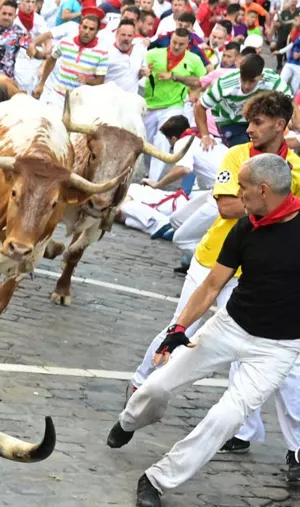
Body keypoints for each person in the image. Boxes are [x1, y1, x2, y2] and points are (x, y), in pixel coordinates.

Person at [109, 154, 300, 507]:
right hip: (229, 327)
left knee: (224, 419)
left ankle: (156, 479)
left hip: (277, 349)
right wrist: (177, 328)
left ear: (263, 189)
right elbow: (212, 284)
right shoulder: (245, 227)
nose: (237, 196)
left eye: (242, 189)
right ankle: (129, 420)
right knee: (157, 386)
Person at [130, 89, 300, 450]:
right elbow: (226, 207)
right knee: (181, 323)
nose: (249, 128)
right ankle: (141, 382)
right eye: (249, 121)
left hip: (252, 273)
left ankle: (244, 431)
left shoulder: (296, 168)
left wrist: (272, 203)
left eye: (257, 122)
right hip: (213, 258)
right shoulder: (237, 155)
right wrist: (275, 202)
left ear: (280, 125)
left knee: (250, 347)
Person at [141, 28, 207, 159]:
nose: (176, 46)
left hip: (174, 105)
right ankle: (148, 175)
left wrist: (195, 91)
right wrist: (143, 70)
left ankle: (154, 178)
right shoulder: (153, 54)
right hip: (150, 106)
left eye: (181, 44)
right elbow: (138, 67)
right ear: (170, 40)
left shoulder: (194, 60)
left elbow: (203, 81)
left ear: (188, 44)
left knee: (162, 140)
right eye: (174, 42)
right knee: (146, 143)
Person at [198, 52, 288, 145]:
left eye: (252, 81)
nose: (246, 86)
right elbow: (200, 106)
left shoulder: (272, 80)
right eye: (243, 80)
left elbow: (288, 101)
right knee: (244, 151)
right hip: (229, 121)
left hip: (255, 119)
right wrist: (205, 136)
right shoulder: (225, 84)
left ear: (261, 77)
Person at [33, 6, 111, 107]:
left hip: (81, 103)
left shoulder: (102, 52)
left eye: (91, 29)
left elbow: (100, 81)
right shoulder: (65, 42)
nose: (87, 32)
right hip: (58, 98)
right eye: (85, 27)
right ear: (79, 27)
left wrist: (87, 80)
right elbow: (52, 59)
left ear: (97, 31)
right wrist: (42, 83)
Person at [106, 19, 149, 86]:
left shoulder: (140, 50)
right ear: (117, 34)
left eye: (129, 36)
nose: (126, 38)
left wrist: (142, 73)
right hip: (110, 95)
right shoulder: (107, 53)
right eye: (123, 35)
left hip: (131, 95)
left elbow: (138, 76)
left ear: (134, 36)